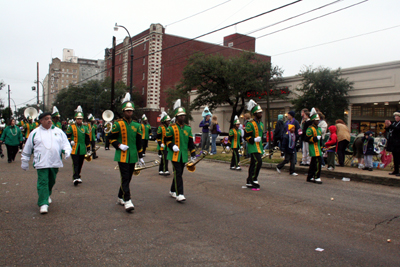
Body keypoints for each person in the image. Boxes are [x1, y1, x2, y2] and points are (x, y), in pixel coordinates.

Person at [21, 112, 71, 214]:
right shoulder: (35, 132)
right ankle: (43, 203)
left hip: (54, 161)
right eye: (46, 119)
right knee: (43, 182)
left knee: (51, 181)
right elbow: (27, 148)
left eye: (50, 118)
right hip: (41, 162)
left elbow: (65, 143)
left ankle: (47, 194)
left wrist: (66, 151)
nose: (49, 120)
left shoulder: (59, 132)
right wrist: (25, 161)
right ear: (41, 121)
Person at [108, 93, 144, 212]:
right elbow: (111, 138)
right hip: (122, 155)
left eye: (131, 111)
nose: (129, 113)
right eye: (127, 111)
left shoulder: (137, 125)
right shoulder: (118, 124)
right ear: (123, 111)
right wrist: (118, 145)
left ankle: (120, 197)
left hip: (133, 155)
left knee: (128, 178)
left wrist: (141, 156)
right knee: (124, 177)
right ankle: (127, 200)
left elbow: (139, 142)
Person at [165, 99, 196, 202]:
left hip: (183, 154)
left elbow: (191, 142)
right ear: (177, 117)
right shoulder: (171, 127)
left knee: (179, 173)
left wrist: (193, 154)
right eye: (180, 115)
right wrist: (172, 145)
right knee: (178, 172)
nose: (182, 117)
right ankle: (180, 194)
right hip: (174, 155)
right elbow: (167, 140)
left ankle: (172, 190)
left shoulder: (188, 128)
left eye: (183, 115)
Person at [66, 106, 90, 186]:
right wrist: (70, 141)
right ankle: (75, 177)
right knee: (75, 163)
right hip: (74, 148)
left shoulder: (85, 127)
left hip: (82, 148)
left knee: (80, 163)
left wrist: (89, 149)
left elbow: (87, 139)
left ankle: (78, 175)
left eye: (80, 119)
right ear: (75, 119)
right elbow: (67, 136)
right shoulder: (71, 127)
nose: (79, 120)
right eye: (78, 119)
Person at [244, 99, 264, 189]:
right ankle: (254, 178)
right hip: (253, 146)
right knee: (258, 162)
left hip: (259, 146)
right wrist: (254, 139)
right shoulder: (249, 124)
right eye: (259, 113)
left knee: (253, 163)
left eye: (261, 112)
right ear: (255, 114)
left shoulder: (262, 124)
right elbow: (246, 137)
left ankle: (249, 180)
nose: (261, 114)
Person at [305, 108, 323, 184]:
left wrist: (322, 146)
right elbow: (307, 138)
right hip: (313, 147)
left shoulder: (319, 129)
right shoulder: (310, 129)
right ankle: (316, 176)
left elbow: (321, 140)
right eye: (316, 120)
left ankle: (310, 176)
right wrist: (315, 138)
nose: (318, 121)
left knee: (313, 163)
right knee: (318, 162)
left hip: (318, 147)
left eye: (318, 120)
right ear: (313, 121)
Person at [385, 111, 400, 176]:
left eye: (397, 116)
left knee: (399, 157)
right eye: (395, 116)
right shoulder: (394, 123)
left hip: (399, 143)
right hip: (393, 143)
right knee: (395, 157)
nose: (396, 117)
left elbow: (398, 130)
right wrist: (387, 126)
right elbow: (390, 130)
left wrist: (391, 125)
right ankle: (396, 170)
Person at [157, 111, 171, 176]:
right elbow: (158, 137)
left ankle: (161, 169)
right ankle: (166, 170)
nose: (169, 122)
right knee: (165, 158)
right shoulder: (160, 127)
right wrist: (160, 143)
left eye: (169, 121)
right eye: (167, 121)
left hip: (167, 145)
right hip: (162, 145)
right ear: (165, 121)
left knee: (164, 158)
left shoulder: (169, 128)